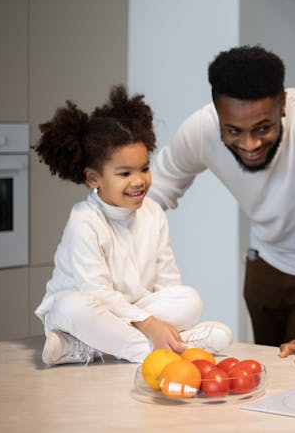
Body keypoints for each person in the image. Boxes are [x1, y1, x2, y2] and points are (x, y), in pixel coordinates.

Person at [148, 45, 295, 367]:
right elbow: (150, 196)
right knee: (268, 373)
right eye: (233, 131)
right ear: (217, 112)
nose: (249, 144)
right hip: (264, 265)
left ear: (281, 103)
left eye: (262, 128)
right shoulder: (200, 129)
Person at [34, 85, 233, 366]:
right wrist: (151, 325)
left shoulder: (153, 212)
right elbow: (97, 294)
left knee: (189, 299)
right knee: (73, 306)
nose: (139, 180)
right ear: (93, 178)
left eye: (144, 168)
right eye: (125, 173)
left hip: (133, 312)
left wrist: (156, 318)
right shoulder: (84, 220)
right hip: (86, 311)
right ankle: (170, 349)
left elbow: (168, 283)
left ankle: (88, 348)